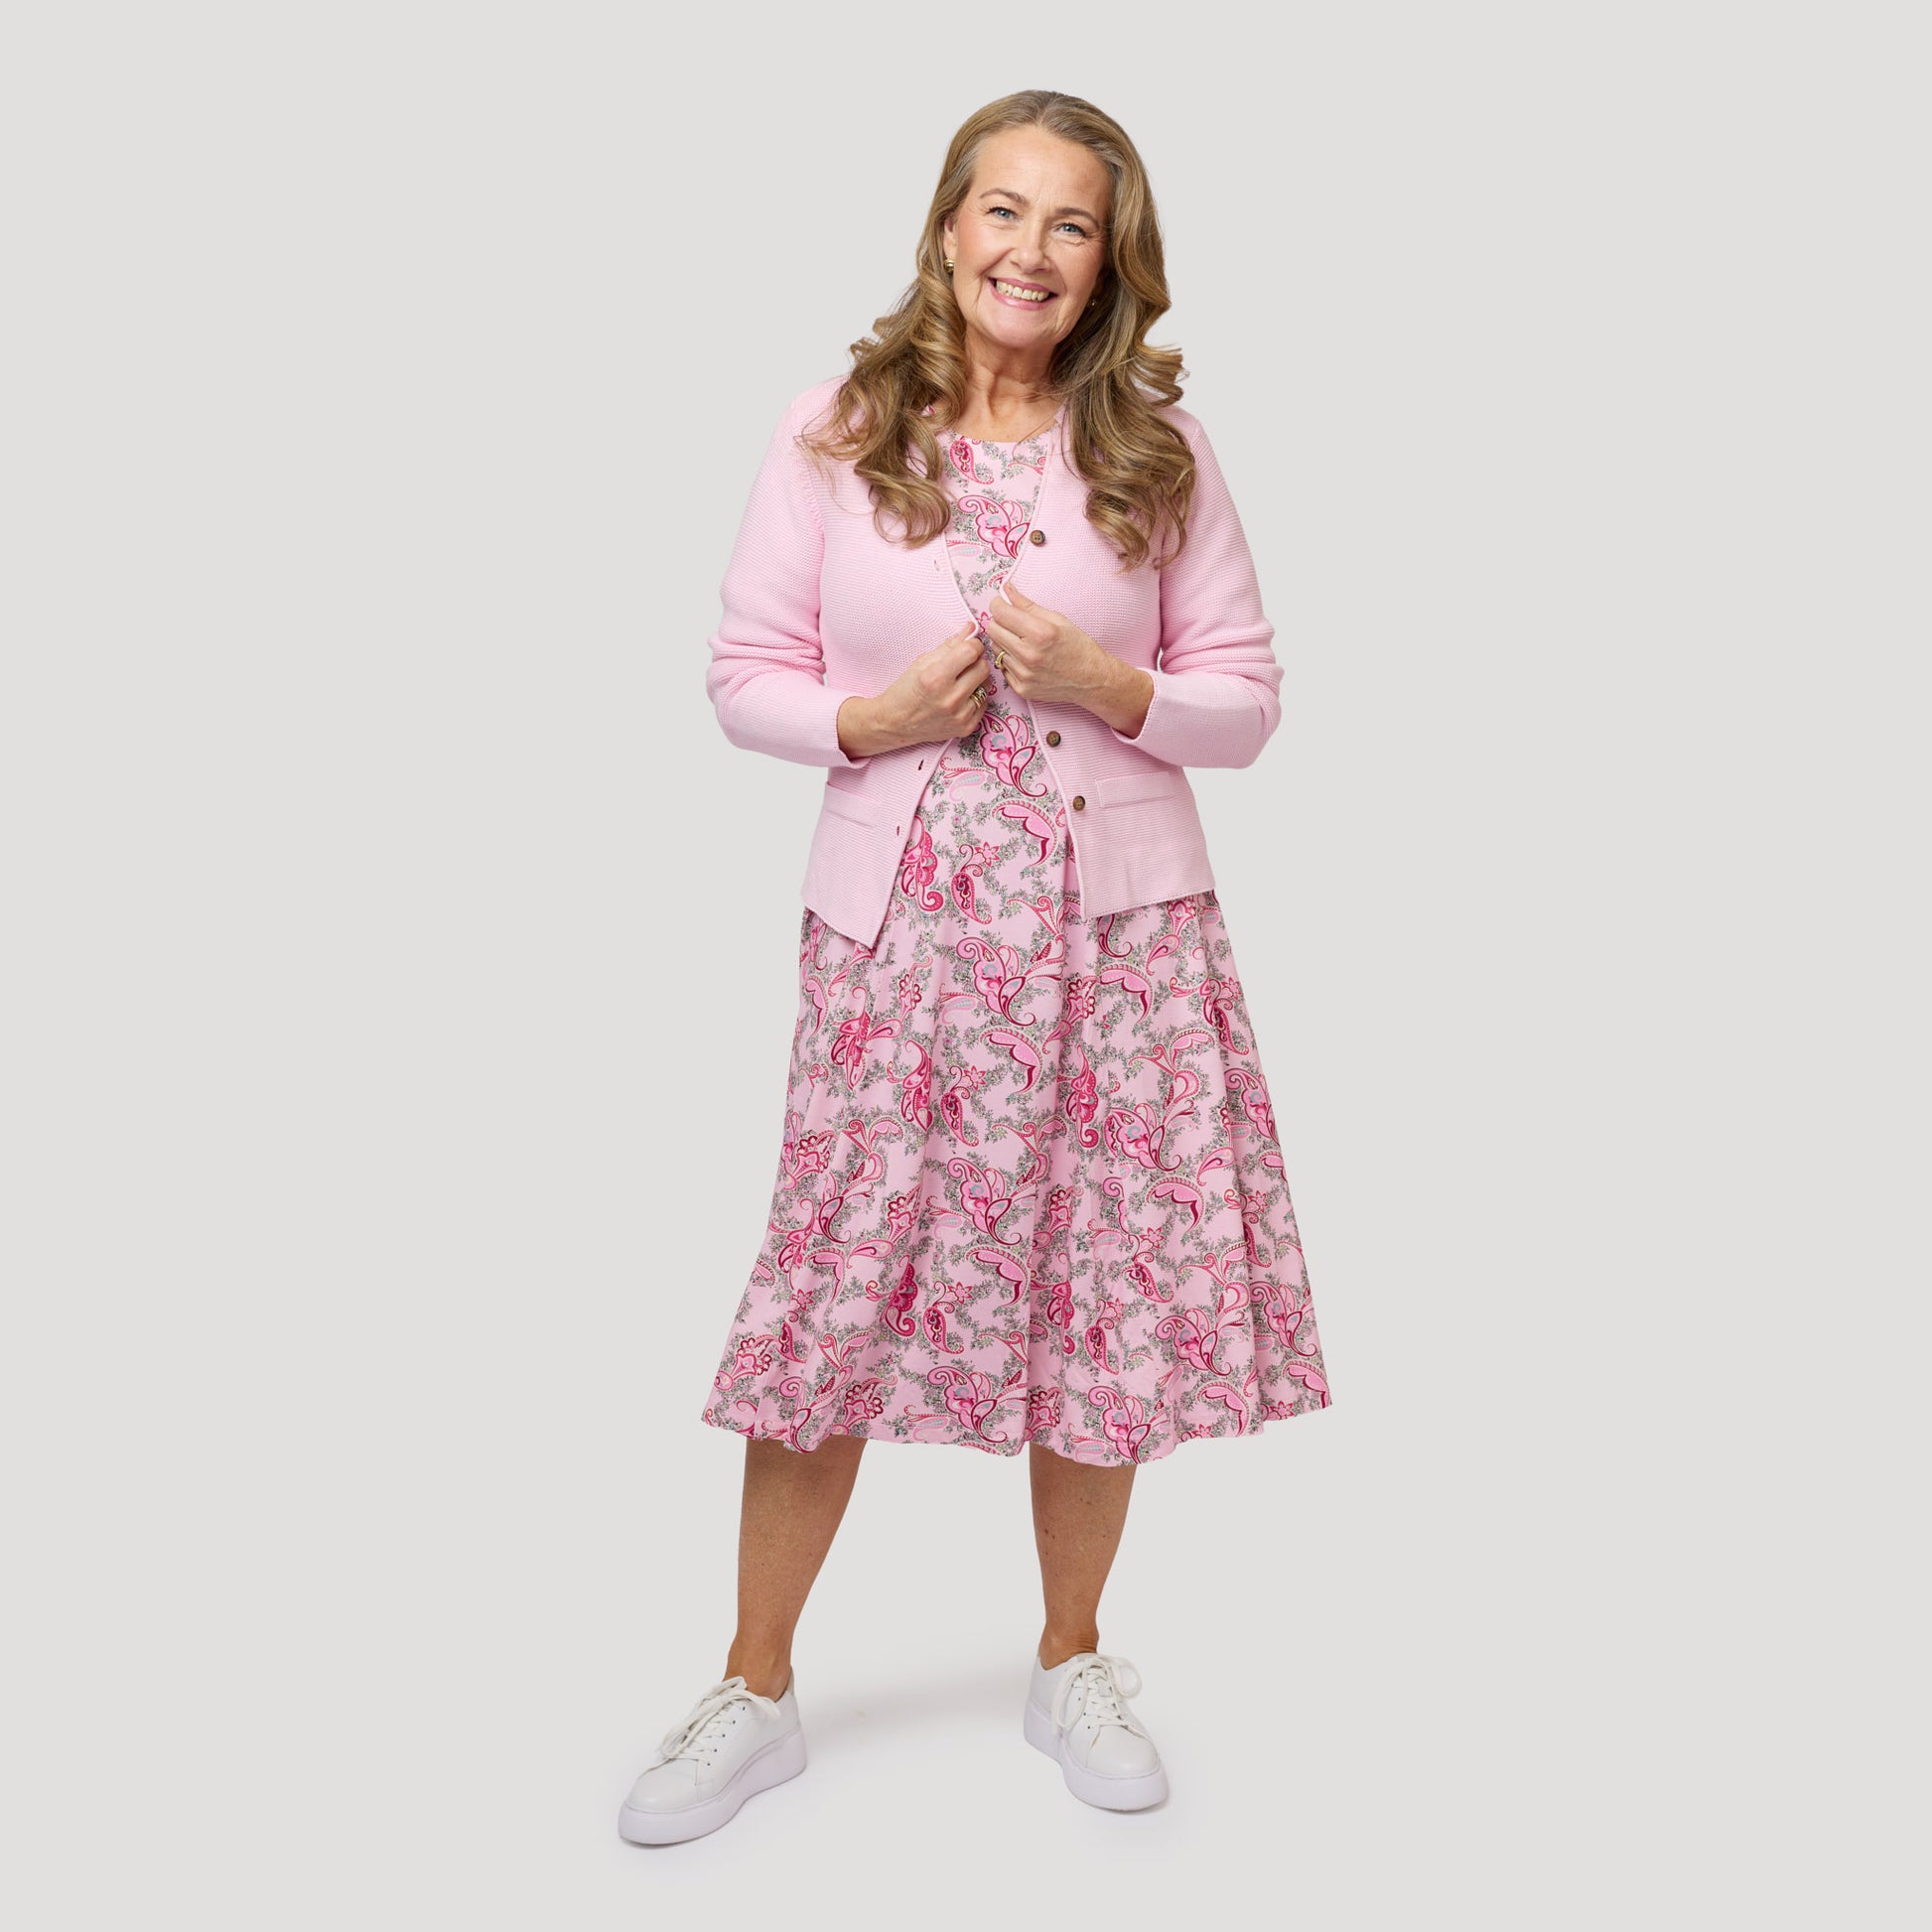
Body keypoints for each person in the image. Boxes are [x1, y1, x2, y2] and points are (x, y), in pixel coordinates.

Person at [620, 88, 1333, 1848]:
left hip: (1120, 940)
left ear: (1109, 262)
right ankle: (754, 1687)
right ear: (946, 230)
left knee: (1105, 1286)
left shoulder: (1158, 452)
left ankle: (1069, 1657)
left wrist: (1113, 685)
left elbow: (1245, 699)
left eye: (1070, 223)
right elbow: (741, 669)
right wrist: (864, 721)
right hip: (903, 943)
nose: (1030, 249)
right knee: (832, 1290)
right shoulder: (836, 430)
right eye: (1000, 210)